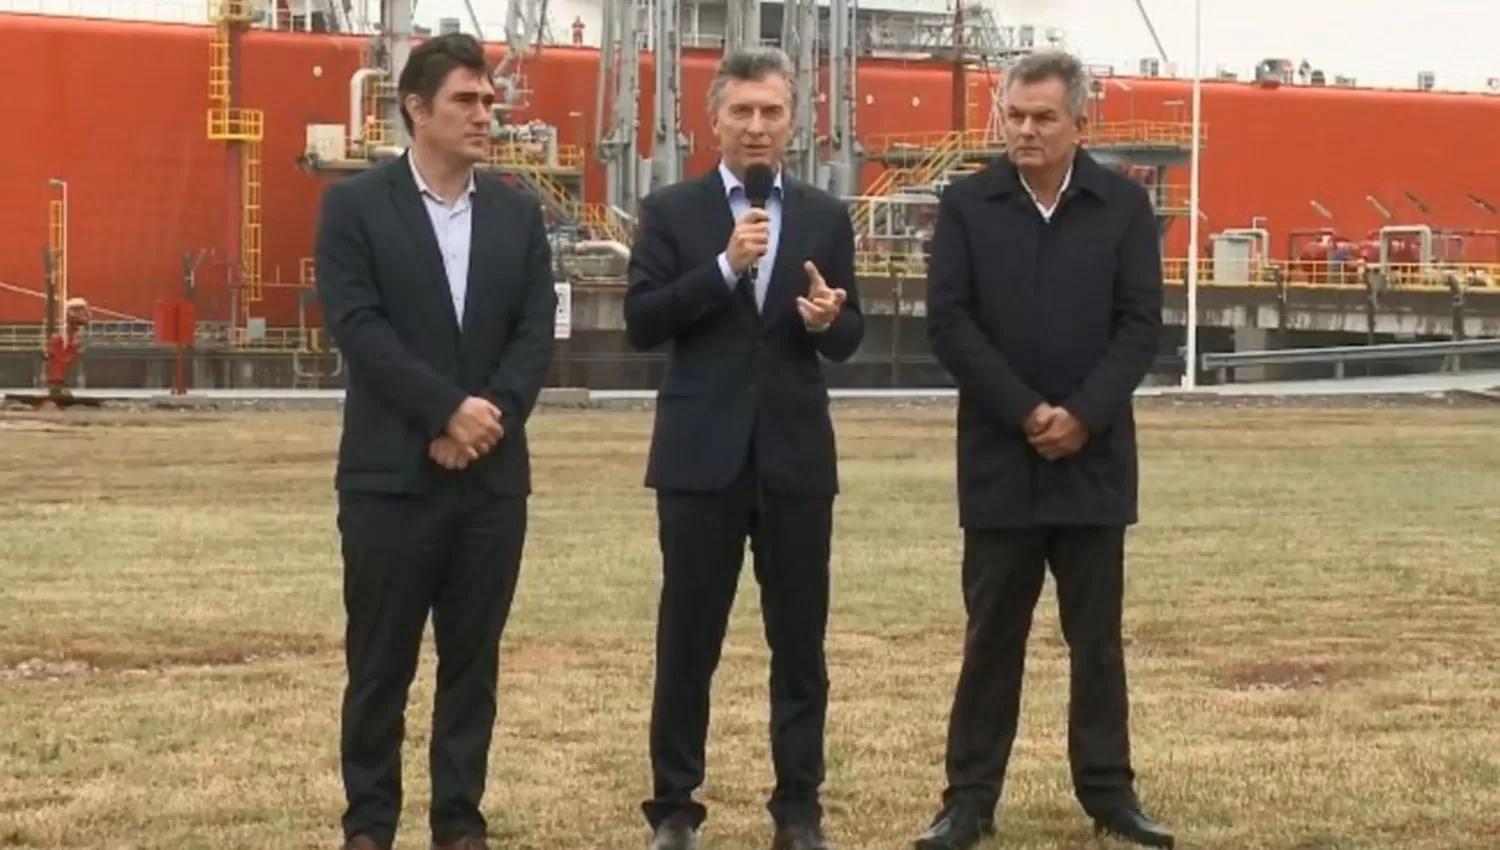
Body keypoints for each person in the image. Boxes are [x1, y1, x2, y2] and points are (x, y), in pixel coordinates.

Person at [912, 50, 1174, 850]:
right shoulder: (967, 204)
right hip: (1000, 459)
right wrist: (1027, 412)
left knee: (1095, 638)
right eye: (1015, 117)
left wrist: (1083, 417)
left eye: (1042, 118)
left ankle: (1109, 795)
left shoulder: (1125, 208)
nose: (1024, 130)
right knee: (992, 634)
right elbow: (950, 323)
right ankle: (968, 801)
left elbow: (1140, 327)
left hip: (1093, 461)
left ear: (1078, 124)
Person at [313, 32, 557, 850]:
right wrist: (447, 411)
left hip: (491, 484)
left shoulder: (520, 213)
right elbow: (360, 328)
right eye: (467, 99)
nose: (486, 113)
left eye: (491, 100)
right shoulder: (354, 208)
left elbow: (532, 336)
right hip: (390, 478)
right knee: (380, 666)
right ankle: (369, 826)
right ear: (415, 108)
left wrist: (487, 421)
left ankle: (459, 823)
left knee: (472, 667)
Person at [623, 45, 864, 850]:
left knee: (800, 643)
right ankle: (675, 809)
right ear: (713, 119)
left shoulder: (828, 217)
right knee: (687, 639)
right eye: (742, 112)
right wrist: (725, 267)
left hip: (795, 458)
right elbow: (643, 321)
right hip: (700, 459)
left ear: (793, 123)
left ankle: (798, 807)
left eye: (772, 113)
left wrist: (832, 319)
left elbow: (847, 334)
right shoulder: (671, 213)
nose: (757, 127)